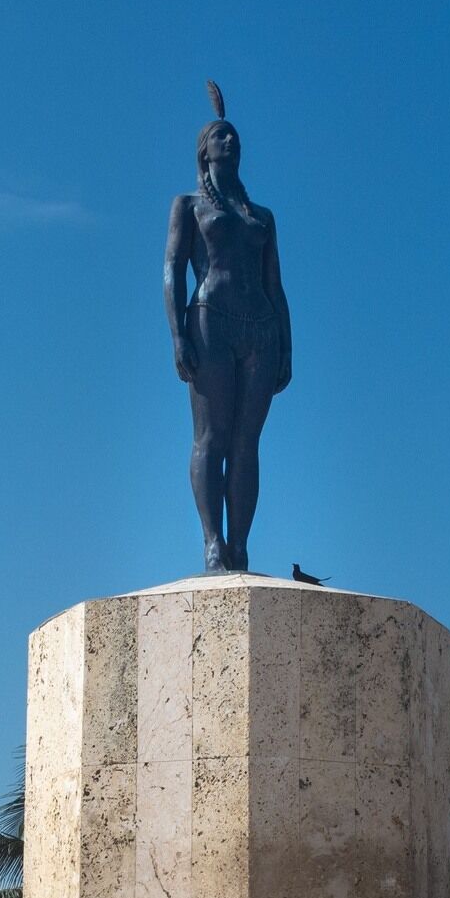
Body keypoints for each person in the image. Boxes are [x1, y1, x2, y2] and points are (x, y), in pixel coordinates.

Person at [163, 82, 289, 574]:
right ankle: (212, 542)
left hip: (261, 327)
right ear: (205, 150)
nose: (231, 141)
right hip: (209, 319)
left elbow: (276, 285)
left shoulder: (263, 217)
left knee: (246, 442)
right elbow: (172, 269)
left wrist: (287, 347)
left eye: (235, 136)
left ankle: (240, 544)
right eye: (221, 136)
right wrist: (177, 334)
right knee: (211, 437)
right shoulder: (189, 205)